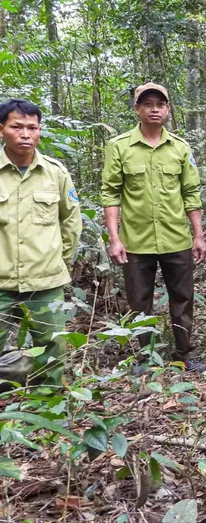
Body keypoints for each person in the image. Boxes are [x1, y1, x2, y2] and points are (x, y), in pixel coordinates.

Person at [102, 83, 206, 373]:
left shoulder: (180, 148)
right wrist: (114, 238)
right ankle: (145, 355)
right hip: (136, 240)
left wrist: (198, 234)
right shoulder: (120, 146)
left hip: (176, 238)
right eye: (147, 104)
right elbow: (111, 194)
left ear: (168, 109)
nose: (155, 109)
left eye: (160, 104)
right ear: (137, 109)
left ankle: (185, 352)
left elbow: (191, 194)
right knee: (139, 301)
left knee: (183, 298)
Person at [0, 99, 82, 386]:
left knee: (52, 349)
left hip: (45, 279)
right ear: (2, 130)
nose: (25, 134)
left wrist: (61, 262)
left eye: (32, 128)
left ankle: (49, 402)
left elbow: (71, 222)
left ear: (40, 131)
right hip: (1, 280)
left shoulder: (55, 173)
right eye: (17, 127)